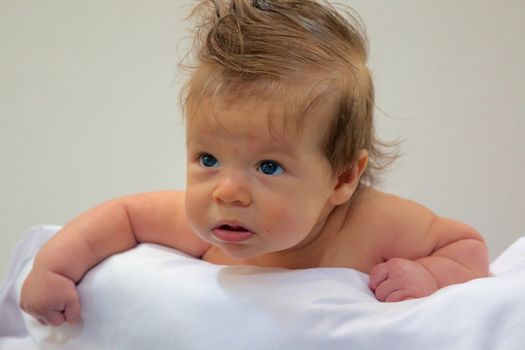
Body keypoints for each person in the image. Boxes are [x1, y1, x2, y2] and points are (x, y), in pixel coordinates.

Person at [20, 0, 489, 327]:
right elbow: (123, 216)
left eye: (267, 167)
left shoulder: (375, 225)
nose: (227, 191)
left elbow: (467, 246)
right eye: (208, 158)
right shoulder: (203, 221)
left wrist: (429, 275)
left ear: (343, 178)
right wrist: (55, 268)